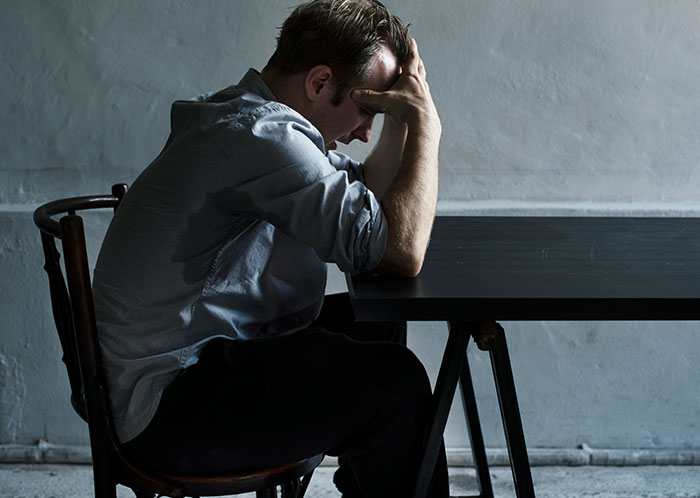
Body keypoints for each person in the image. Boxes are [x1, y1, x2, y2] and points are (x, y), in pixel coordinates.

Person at [92, 0, 444, 496]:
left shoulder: (250, 118)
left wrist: (402, 121)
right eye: (368, 111)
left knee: (378, 325)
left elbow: (372, 201)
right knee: (398, 388)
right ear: (320, 83)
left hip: (191, 368)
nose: (366, 132)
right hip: (169, 408)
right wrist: (429, 127)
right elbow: (401, 251)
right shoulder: (263, 137)